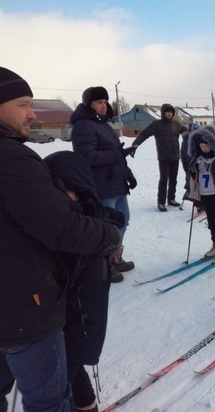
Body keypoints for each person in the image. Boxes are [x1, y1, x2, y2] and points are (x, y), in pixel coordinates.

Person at [0, 67, 120, 411]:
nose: (32, 113)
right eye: (24, 104)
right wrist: (108, 236)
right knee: (48, 400)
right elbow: (61, 227)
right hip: (24, 309)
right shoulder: (11, 157)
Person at [44, 151, 125, 412]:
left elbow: (89, 288)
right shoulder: (66, 219)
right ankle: (87, 405)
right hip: (62, 317)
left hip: (79, 319)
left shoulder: (85, 229)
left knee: (63, 373)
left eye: (64, 190)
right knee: (68, 368)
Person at [71, 86, 136, 282]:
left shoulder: (104, 125)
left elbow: (118, 154)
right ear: (88, 104)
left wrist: (128, 173)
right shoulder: (83, 126)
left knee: (122, 221)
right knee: (107, 226)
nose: (104, 106)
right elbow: (86, 156)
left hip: (116, 183)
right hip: (101, 185)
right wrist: (117, 155)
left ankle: (114, 258)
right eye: (99, 102)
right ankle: (103, 265)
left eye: (105, 102)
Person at [188, 127, 215, 260]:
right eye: (201, 146)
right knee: (212, 222)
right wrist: (192, 170)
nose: (204, 149)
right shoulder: (197, 158)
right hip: (204, 193)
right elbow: (191, 173)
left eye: (207, 146)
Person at [132, 103, 187, 211]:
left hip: (175, 156)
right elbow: (144, 134)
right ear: (163, 113)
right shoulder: (157, 124)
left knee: (173, 179)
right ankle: (161, 202)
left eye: (171, 112)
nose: (169, 114)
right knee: (164, 179)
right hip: (164, 157)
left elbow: (186, 131)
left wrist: (190, 135)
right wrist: (135, 144)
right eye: (167, 112)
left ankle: (171, 198)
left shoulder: (176, 124)